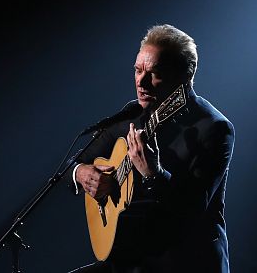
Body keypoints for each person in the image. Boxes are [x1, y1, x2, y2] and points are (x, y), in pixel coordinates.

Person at [68, 24, 235, 273]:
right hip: (133, 255)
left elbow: (191, 211)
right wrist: (81, 172)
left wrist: (153, 174)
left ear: (184, 77)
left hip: (185, 261)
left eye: (154, 73)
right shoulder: (132, 114)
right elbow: (71, 163)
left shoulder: (215, 128)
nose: (141, 82)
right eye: (138, 70)